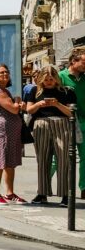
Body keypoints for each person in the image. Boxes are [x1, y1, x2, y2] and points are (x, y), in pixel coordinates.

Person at [25, 65, 76, 204]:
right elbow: (29, 110)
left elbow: (71, 113)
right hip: (41, 125)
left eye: (51, 79)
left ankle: (66, 194)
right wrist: (39, 105)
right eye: (46, 79)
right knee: (42, 160)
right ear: (41, 79)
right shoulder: (34, 91)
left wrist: (57, 104)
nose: (48, 82)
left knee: (64, 160)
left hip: (62, 124)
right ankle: (42, 193)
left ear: (56, 79)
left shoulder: (67, 91)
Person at [0, 64, 26, 205]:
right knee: (1, 159)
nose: (5, 74)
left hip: (12, 129)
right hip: (3, 129)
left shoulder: (5, 91)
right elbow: (14, 109)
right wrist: (17, 101)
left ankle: (10, 193)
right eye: (1, 73)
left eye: (6, 72)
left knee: (10, 161)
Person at [58, 47, 85, 200]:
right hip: (66, 122)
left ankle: (84, 187)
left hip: (84, 121)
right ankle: (44, 188)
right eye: (84, 62)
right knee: (59, 157)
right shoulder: (61, 77)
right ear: (73, 61)